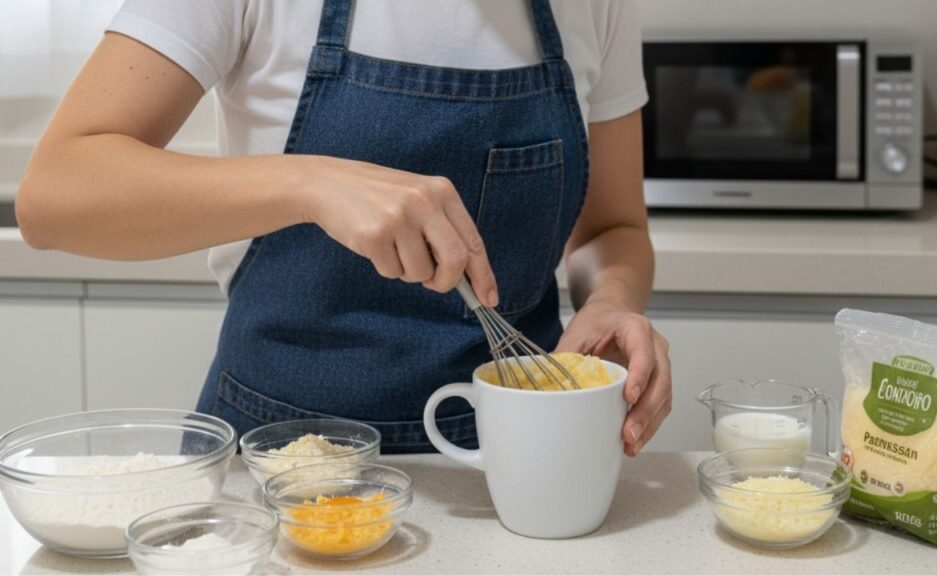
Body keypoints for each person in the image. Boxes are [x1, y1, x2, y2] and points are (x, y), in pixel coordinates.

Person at [16, 0, 671, 455]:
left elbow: (612, 228)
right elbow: (54, 195)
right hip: (278, 465)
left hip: (515, 464)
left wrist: (612, 300)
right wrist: (308, 183)